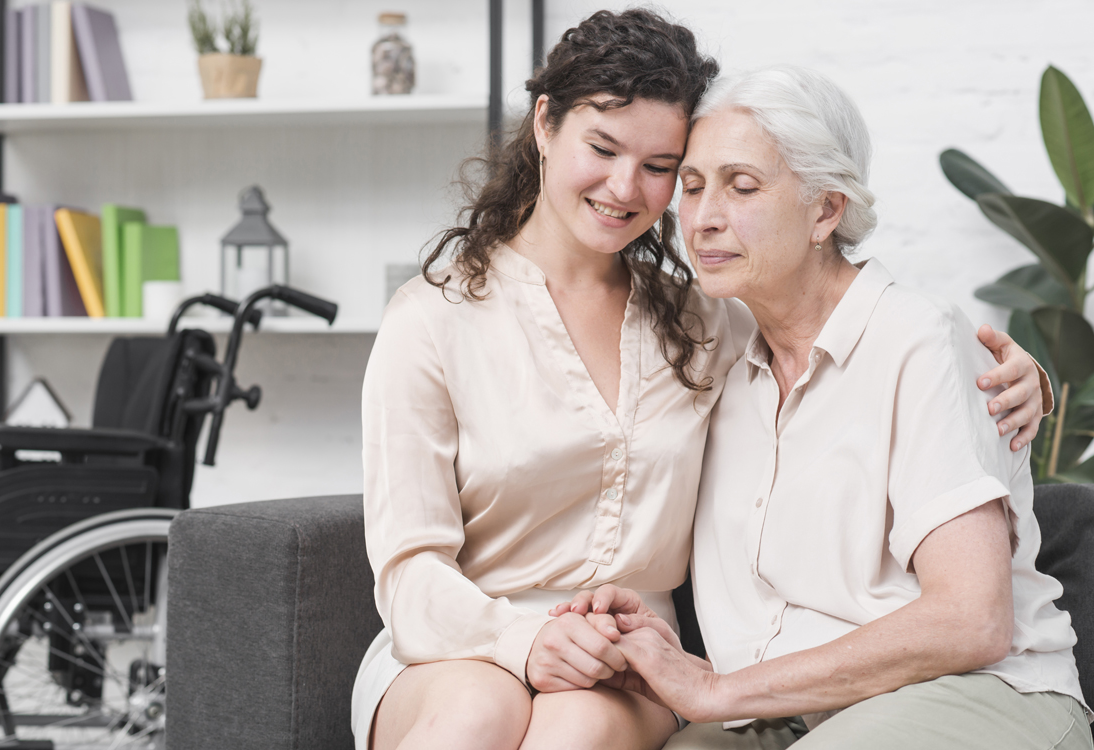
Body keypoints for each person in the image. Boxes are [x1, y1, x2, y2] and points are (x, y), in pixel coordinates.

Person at [355, 11, 1049, 749]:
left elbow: (839, 335)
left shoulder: (706, 318)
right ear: (545, 126)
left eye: (660, 168)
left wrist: (1020, 374)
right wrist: (522, 642)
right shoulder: (430, 319)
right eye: (602, 147)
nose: (626, 187)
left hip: (629, 653)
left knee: (578, 729)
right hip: (457, 639)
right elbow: (408, 568)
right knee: (472, 718)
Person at [561, 65, 1090, 750]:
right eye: (692, 186)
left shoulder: (916, 339)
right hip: (796, 714)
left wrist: (715, 689)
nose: (704, 217)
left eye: (742, 185)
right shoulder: (713, 350)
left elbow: (971, 620)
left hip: (980, 697)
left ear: (826, 210)